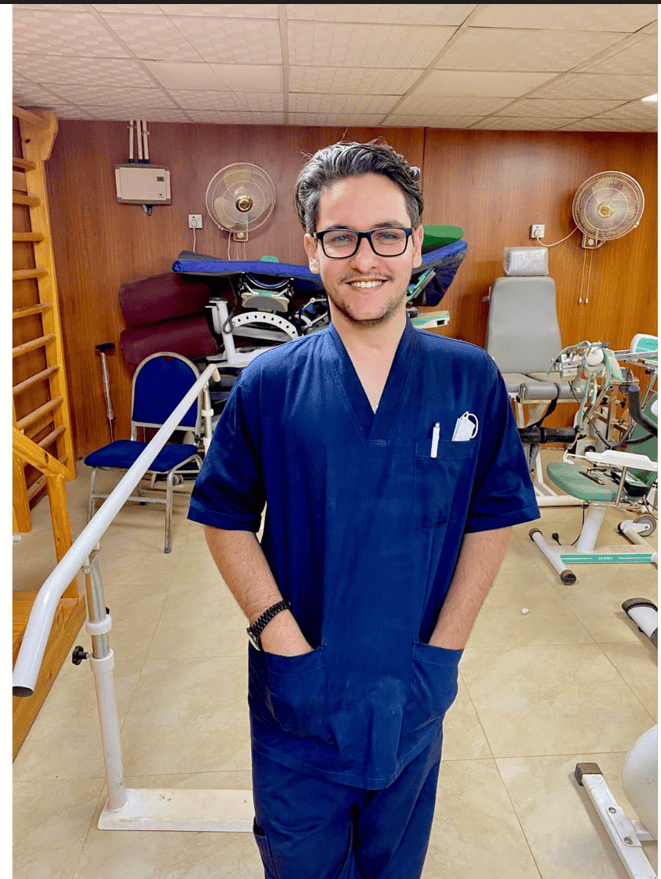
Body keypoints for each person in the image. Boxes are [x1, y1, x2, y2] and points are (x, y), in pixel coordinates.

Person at [188, 139, 540, 879]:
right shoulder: (270, 385)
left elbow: (493, 511)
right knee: (300, 861)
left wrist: (445, 648)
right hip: (301, 695)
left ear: (416, 247)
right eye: (340, 236)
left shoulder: (467, 378)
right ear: (312, 250)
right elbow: (222, 513)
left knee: (392, 863)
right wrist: (277, 634)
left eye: (386, 234)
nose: (364, 257)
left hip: (412, 689)